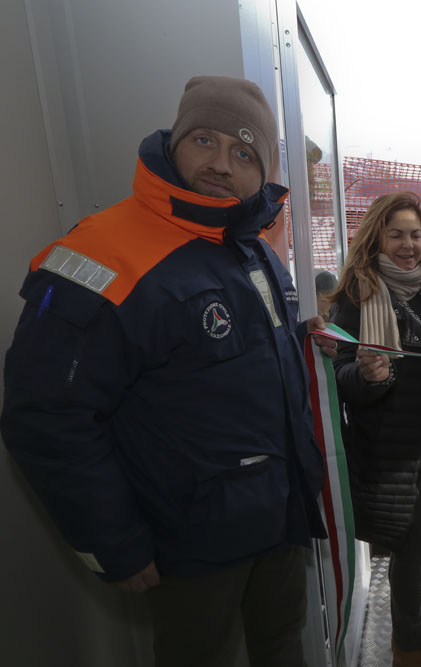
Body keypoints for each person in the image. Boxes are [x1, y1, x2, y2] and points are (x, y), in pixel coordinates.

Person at [0, 75, 336, 667]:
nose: (221, 165)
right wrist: (113, 542)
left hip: (280, 517)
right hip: (190, 540)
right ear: (174, 142)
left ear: (262, 172)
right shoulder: (104, 252)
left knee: (284, 646)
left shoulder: (254, 248)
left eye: (243, 154)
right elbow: (45, 415)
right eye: (204, 140)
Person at [330, 191, 421, 667]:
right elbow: (340, 375)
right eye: (396, 235)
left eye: (416, 235)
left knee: (418, 538)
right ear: (376, 240)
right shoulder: (357, 296)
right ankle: (408, 646)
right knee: (413, 543)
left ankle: (412, 619)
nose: (409, 245)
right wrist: (367, 376)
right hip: (387, 444)